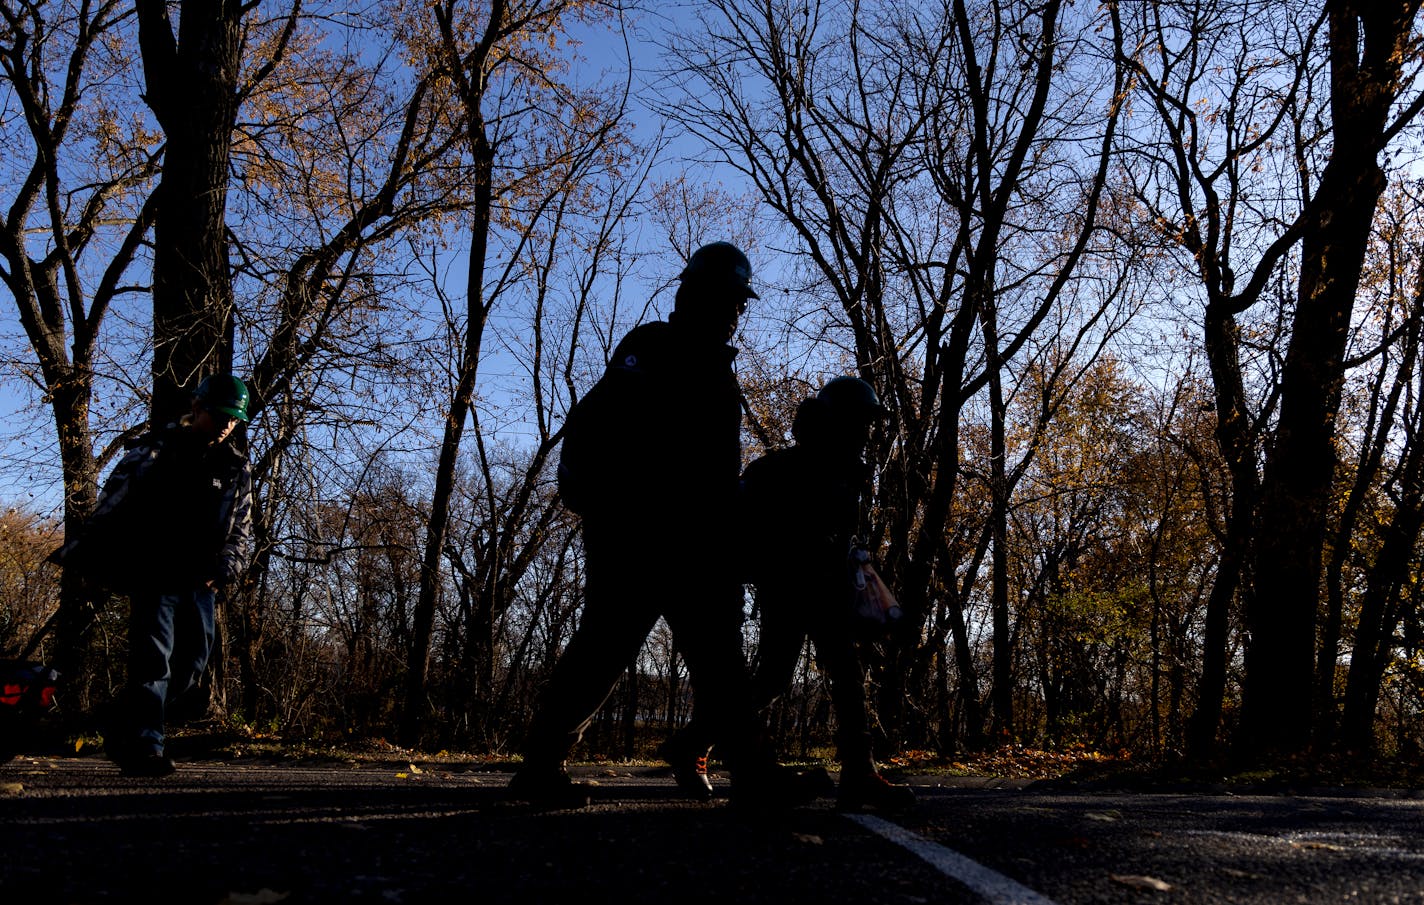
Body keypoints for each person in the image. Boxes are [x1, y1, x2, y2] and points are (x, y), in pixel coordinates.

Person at [510, 242, 817, 809]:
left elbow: (716, 476)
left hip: (701, 543)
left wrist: (735, 531)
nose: (734, 312)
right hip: (637, 534)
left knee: (720, 661)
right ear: (692, 294)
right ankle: (540, 766)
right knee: (604, 647)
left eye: (739, 304)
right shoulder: (652, 348)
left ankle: (751, 774)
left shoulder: (721, 374)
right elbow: (607, 428)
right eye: (726, 300)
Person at [660, 376, 915, 812]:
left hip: (833, 587)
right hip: (787, 588)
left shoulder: (854, 471)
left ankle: (859, 773)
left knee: (847, 677)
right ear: (836, 420)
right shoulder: (776, 469)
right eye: (860, 422)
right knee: (773, 679)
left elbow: (844, 532)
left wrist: (860, 574)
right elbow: (744, 534)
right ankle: (692, 743)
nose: (867, 432)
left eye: (870, 424)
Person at [52, 374, 254, 777]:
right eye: (221, 415)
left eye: (235, 418)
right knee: (153, 661)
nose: (229, 424)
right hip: (153, 572)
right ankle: (146, 747)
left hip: (201, 581)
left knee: (192, 665)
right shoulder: (155, 450)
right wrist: (86, 555)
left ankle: (116, 718)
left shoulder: (234, 466)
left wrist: (224, 570)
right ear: (197, 408)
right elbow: (114, 499)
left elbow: (242, 529)